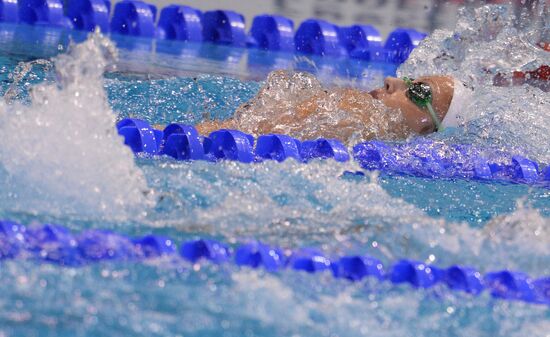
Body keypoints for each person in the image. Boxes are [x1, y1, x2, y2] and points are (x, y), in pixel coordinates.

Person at [193, 70, 472, 143]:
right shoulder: (352, 110)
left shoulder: (353, 110)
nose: (391, 81)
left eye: (419, 91)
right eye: (409, 79)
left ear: (428, 129)